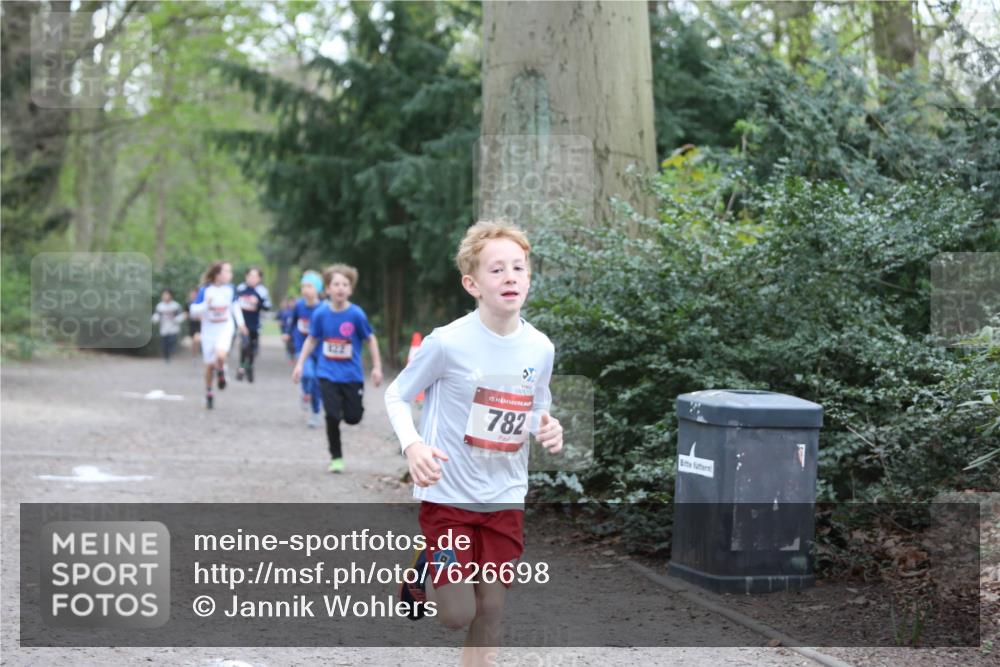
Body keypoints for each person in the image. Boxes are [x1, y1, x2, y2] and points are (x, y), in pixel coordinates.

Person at [384, 220, 563, 667]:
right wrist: (413, 446)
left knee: (492, 609)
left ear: (529, 277)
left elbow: (537, 408)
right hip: (449, 496)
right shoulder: (447, 343)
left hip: (504, 496)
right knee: (456, 613)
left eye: (518, 268)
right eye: (496, 269)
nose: (510, 277)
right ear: (473, 284)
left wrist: (549, 427)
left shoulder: (540, 347)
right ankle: (426, 559)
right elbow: (396, 394)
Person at [292, 264, 383, 472]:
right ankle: (336, 457)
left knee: (353, 418)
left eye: (345, 284)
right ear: (328, 289)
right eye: (336, 284)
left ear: (350, 289)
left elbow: (370, 339)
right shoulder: (321, 314)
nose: (341, 288)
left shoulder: (356, 314)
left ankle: (348, 407)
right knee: (332, 416)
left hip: (351, 375)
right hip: (327, 373)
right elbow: (312, 340)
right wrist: (299, 364)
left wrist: (376, 367)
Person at [189, 261, 248, 409]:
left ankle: (221, 372)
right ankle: (209, 392)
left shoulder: (230, 289)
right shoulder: (205, 291)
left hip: (225, 328)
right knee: (209, 365)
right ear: (217, 274)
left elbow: (235, 307)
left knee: (221, 355)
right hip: (209, 331)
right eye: (227, 271)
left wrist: (241, 324)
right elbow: (193, 311)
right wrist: (206, 305)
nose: (230, 275)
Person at [290, 272, 324, 427]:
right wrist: (287, 334)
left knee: (317, 381)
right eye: (303, 286)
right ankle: (305, 393)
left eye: (309, 286)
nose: (305, 290)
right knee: (307, 374)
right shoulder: (299, 305)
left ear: (317, 289)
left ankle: (315, 411)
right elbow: (293, 322)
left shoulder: (324, 308)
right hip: (302, 346)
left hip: (321, 350)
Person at [235, 267, 272, 383]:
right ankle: (241, 367)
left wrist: (258, 302)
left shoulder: (262, 291)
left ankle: (249, 366)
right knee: (244, 344)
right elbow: (233, 303)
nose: (252, 279)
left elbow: (267, 307)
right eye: (250, 276)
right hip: (242, 324)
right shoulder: (240, 289)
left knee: (252, 348)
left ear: (260, 279)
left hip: (255, 325)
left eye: (255, 276)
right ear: (246, 277)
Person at [151, 289, 186, 362]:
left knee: (171, 342)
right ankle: (166, 357)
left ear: (170, 295)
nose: (165, 296)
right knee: (164, 345)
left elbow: (181, 316)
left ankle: (170, 353)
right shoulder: (160, 306)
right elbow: (156, 315)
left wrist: (175, 319)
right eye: (164, 295)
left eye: (167, 294)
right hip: (164, 328)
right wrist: (155, 319)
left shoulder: (176, 305)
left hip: (174, 328)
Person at [277, 298, 296, 362]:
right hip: (286, 330)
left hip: (293, 331)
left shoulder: (295, 312)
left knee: (292, 344)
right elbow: (280, 319)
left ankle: (293, 356)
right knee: (289, 344)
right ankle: (290, 355)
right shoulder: (285, 312)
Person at [187, 288, 202, 358]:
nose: (193, 295)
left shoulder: (200, 303)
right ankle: (194, 353)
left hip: (199, 324)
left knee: (197, 339)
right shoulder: (188, 303)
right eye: (192, 294)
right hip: (191, 324)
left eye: (195, 294)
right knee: (193, 341)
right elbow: (186, 313)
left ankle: (198, 350)